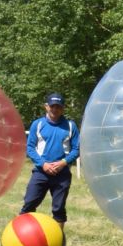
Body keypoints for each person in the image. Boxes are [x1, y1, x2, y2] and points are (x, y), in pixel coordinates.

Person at [20, 92, 79, 235]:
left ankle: (58, 241)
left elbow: (77, 149)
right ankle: (22, 237)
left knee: (58, 208)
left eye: (58, 107)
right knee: (29, 203)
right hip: (41, 172)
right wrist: (43, 164)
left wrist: (64, 162)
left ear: (63, 108)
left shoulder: (71, 126)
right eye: (52, 106)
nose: (55, 109)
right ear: (46, 107)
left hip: (62, 174)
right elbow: (30, 147)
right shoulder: (37, 124)